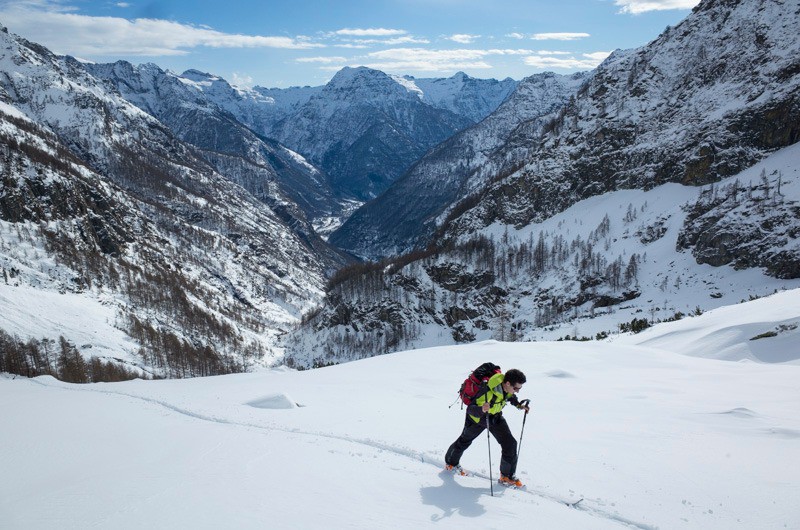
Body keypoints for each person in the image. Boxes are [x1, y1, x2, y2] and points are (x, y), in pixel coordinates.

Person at [444, 368, 529, 487]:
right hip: (477, 419)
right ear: (508, 383)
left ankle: (506, 476)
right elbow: (470, 409)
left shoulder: (508, 388)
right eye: (516, 388)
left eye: (519, 389)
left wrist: (519, 405)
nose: (517, 391)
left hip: (495, 417)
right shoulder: (487, 391)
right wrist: (481, 409)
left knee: (510, 443)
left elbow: (509, 396)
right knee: (464, 441)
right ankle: (451, 463)